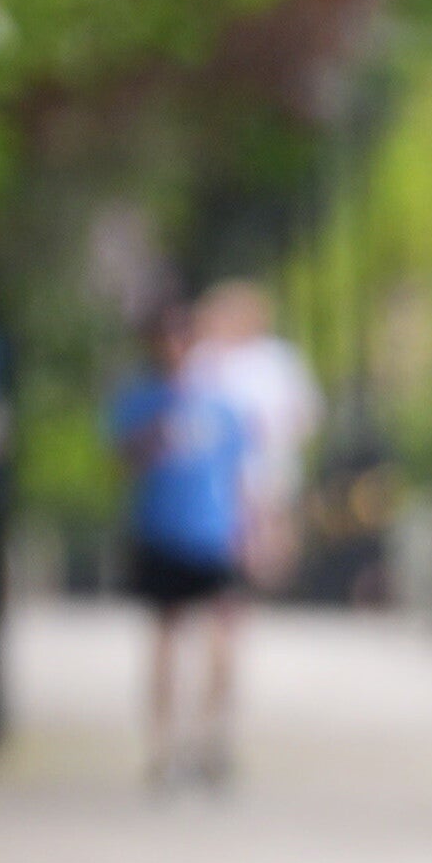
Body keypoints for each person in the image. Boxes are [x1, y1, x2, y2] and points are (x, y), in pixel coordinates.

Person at [109, 303, 253, 787]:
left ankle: (210, 737)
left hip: (213, 534)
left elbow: (239, 475)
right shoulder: (140, 402)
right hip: (162, 532)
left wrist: (253, 531)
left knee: (222, 637)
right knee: (166, 637)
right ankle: (163, 744)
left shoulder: (220, 405)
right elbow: (121, 463)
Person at [197, 280, 322, 593]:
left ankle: (269, 580)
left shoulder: (278, 357)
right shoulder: (205, 357)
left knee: (270, 517)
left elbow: (304, 409)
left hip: (270, 456)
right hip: (220, 461)